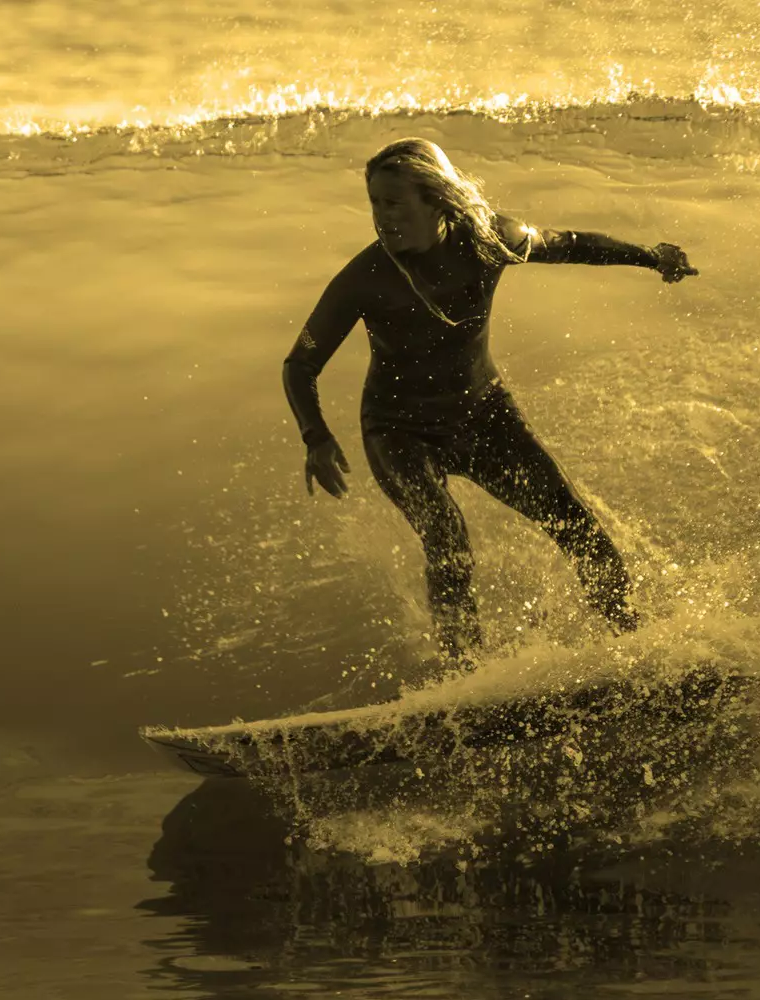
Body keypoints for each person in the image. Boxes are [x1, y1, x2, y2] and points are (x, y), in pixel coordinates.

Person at [282, 137, 697, 662]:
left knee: (578, 527)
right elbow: (300, 363)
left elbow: (569, 244)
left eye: (393, 202)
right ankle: (464, 677)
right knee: (446, 536)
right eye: (374, 203)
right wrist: (315, 437)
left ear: (434, 199)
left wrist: (649, 257)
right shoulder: (365, 279)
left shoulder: (487, 239)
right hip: (399, 431)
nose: (381, 216)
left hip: (484, 416)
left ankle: (635, 642)